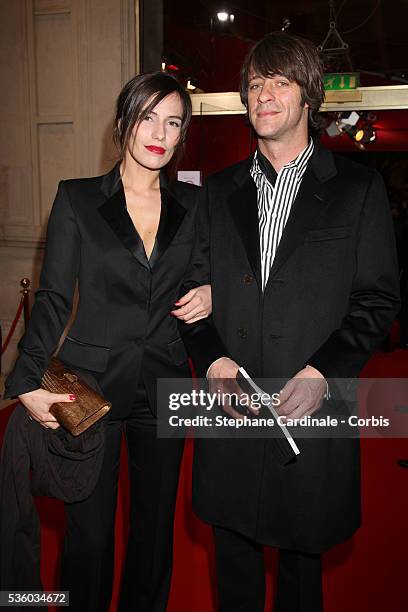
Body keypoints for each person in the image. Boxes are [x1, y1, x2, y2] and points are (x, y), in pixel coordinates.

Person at [176, 32, 400, 611]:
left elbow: (377, 299)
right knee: (235, 574)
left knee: (303, 576)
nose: (264, 94)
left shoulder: (358, 189)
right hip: (231, 412)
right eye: (254, 84)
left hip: (311, 411)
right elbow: (188, 292)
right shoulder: (217, 191)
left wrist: (325, 371)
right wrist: (214, 358)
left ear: (308, 96)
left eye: (280, 81)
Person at [4, 71, 211, 611]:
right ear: (123, 123)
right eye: (148, 117)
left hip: (166, 385)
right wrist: (25, 380)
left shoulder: (194, 205)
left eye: (173, 122)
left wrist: (213, 292)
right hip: (91, 389)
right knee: (89, 539)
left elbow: (211, 277)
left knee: (153, 533)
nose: (160, 133)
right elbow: (51, 298)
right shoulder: (76, 200)